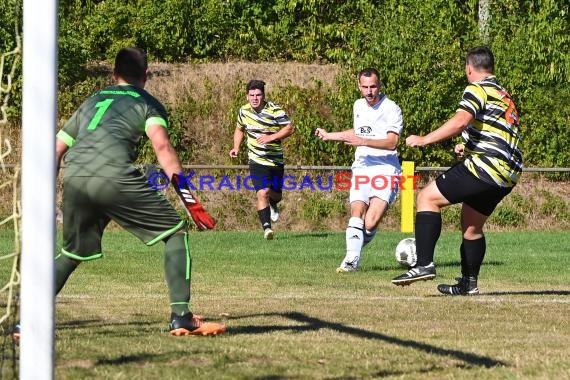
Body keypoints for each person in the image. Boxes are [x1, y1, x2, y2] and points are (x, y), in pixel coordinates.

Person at [48, 48, 225, 336]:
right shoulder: (147, 103)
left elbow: (57, 149)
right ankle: (181, 316)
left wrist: (44, 195)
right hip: (114, 176)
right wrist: (189, 198)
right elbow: (162, 147)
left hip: (76, 177)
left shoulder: (93, 100)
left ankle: (28, 319)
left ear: (113, 73)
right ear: (146, 76)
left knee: (72, 253)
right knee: (174, 233)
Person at [391, 46, 523, 295]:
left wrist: (424, 139)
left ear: (469, 68)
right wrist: (469, 145)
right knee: (471, 226)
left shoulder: (477, 88)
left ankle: (423, 265)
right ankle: (468, 283)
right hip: (508, 173)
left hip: (488, 166)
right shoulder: (502, 93)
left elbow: (461, 120)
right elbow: (498, 131)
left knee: (427, 198)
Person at [315, 67, 403, 272]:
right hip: (362, 166)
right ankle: (350, 261)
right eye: (365, 87)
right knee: (356, 212)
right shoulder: (358, 105)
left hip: (386, 168)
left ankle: (355, 248)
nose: (369, 91)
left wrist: (362, 141)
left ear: (379, 86)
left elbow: (392, 142)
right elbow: (358, 131)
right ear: (359, 86)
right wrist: (331, 135)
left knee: (370, 223)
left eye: (373, 86)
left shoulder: (391, 108)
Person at [229, 79, 294, 240]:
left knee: (276, 195)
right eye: (252, 95)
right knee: (262, 192)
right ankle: (267, 229)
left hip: (275, 160)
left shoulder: (274, 110)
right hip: (256, 160)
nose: (255, 98)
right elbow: (239, 129)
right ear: (247, 96)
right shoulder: (243, 111)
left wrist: (271, 137)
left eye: (258, 95)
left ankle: (274, 203)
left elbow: (289, 128)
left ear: (264, 96)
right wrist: (236, 147)